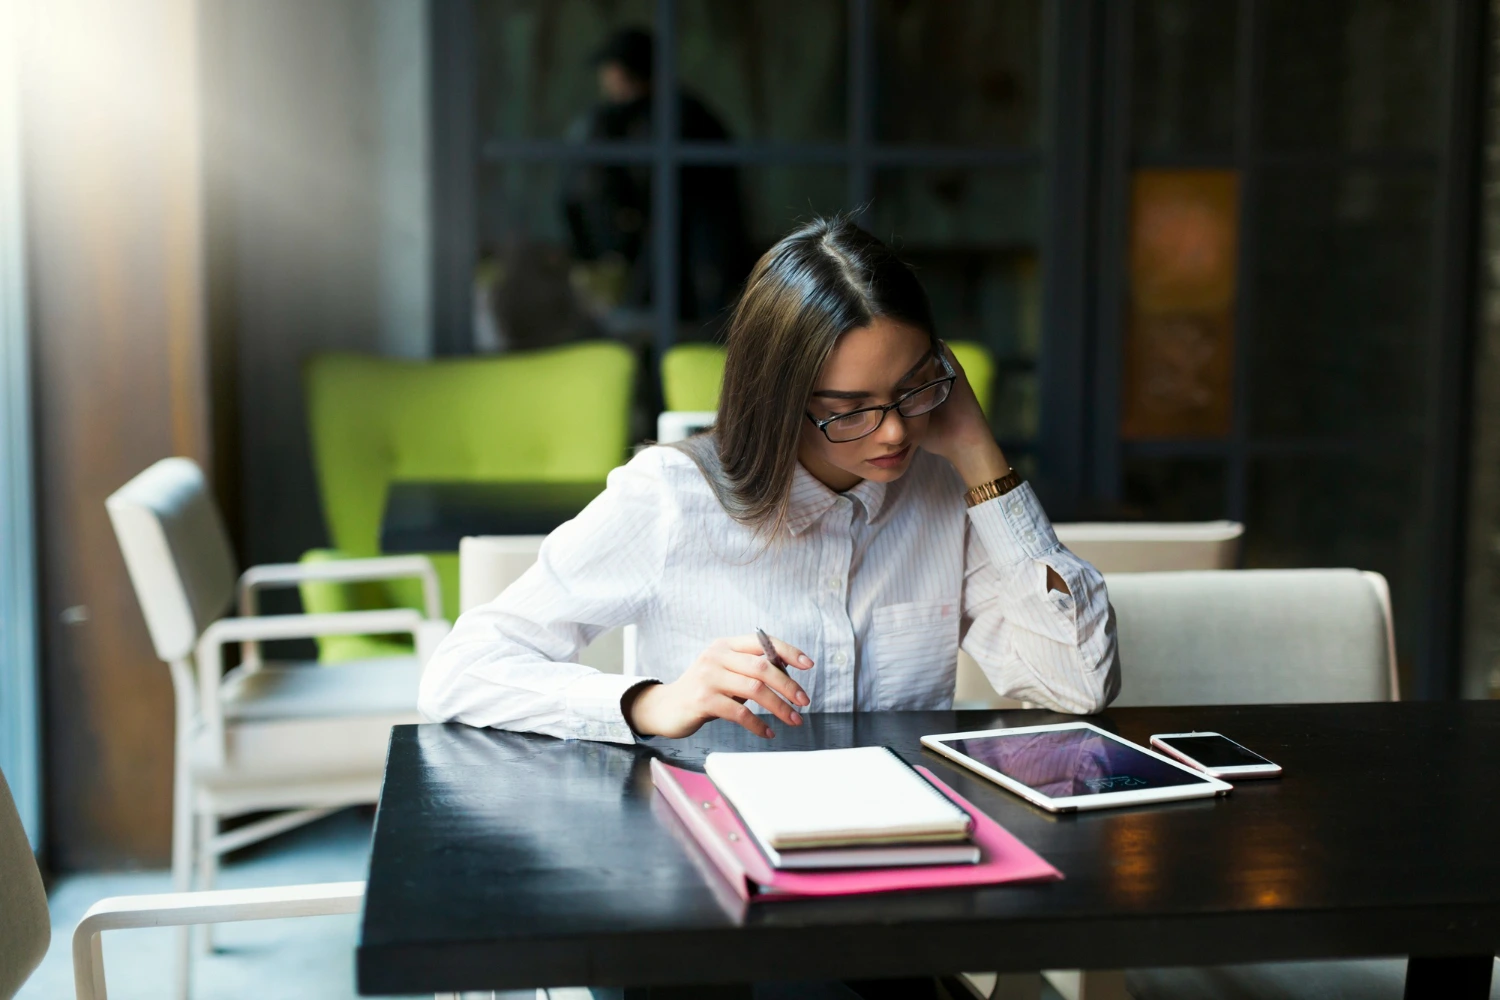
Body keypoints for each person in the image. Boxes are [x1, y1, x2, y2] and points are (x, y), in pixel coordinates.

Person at [420, 216, 1119, 744]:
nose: (896, 432)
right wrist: (648, 701)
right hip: (713, 866)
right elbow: (459, 671)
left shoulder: (940, 489)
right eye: (850, 411)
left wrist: (974, 447)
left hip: (907, 852)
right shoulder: (671, 498)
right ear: (780, 398)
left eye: (914, 389)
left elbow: (1081, 685)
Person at [562, 26, 750, 325]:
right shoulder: (635, 117)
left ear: (623, 72)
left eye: (611, 70)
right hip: (670, 252)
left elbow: (681, 201)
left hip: (692, 253)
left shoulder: (674, 116)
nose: (606, 80)